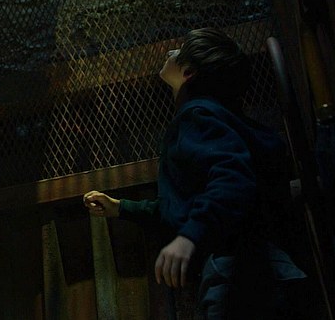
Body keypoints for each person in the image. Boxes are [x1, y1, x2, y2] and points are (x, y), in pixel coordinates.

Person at [84, 28, 306, 319]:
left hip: (239, 277)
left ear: (188, 73)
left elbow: (232, 179)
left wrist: (188, 238)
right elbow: (186, 207)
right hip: (266, 271)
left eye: (180, 50)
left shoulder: (196, 116)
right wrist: (121, 208)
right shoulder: (226, 120)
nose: (170, 52)